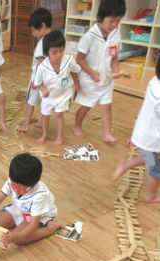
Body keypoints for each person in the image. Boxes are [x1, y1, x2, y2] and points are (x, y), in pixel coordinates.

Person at [73, 0, 126, 142]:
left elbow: (114, 54)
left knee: (107, 107)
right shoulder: (89, 37)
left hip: (106, 79)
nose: (114, 25)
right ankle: (77, 125)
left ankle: (107, 134)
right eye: (111, 21)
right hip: (89, 80)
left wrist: (116, 66)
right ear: (100, 18)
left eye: (118, 21)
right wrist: (92, 73)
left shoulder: (115, 34)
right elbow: (79, 59)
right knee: (86, 106)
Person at [0, 153, 62, 246]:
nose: (15, 190)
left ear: (32, 185)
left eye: (20, 188)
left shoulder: (40, 195)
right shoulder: (14, 179)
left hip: (36, 216)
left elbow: (33, 225)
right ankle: (18, 227)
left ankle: (50, 228)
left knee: (19, 240)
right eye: (13, 185)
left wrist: (13, 236)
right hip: (20, 209)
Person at [112, 59, 160, 203]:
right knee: (155, 169)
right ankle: (151, 196)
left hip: (142, 134)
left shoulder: (154, 81)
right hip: (151, 138)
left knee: (151, 157)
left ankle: (126, 165)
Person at [34, 30, 80, 145]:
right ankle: (44, 134)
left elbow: (75, 71)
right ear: (47, 53)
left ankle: (60, 137)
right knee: (45, 115)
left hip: (62, 95)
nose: (59, 55)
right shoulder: (42, 67)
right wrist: (43, 90)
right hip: (48, 97)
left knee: (60, 115)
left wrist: (77, 85)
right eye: (54, 52)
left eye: (61, 51)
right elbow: (37, 83)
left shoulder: (68, 60)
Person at [18, 8, 52, 132]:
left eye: (33, 30)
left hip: (38, 79)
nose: (33, 34)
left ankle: (26, 124)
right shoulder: (53, 37)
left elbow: (39, 63)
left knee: (31, 101)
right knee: (45, 101)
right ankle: (43, 122)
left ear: (42, 26)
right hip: (48, 79)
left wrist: (36, 81)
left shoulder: (42, 42)